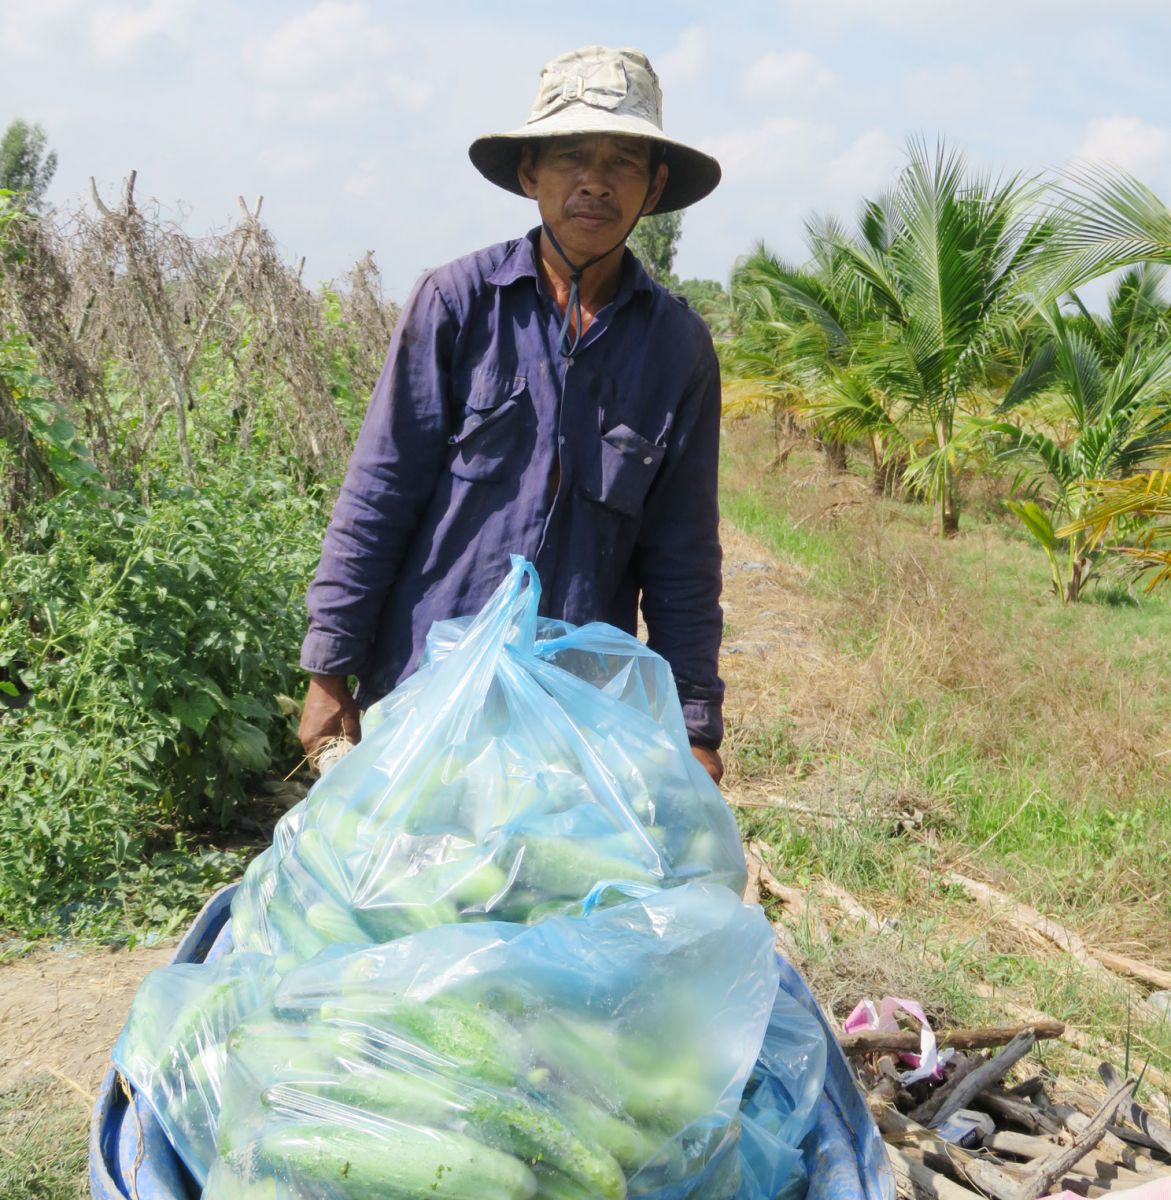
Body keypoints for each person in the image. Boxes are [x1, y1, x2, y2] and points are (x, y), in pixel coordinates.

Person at [298, 45, 727, 783]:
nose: (594, 182)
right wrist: (330, 668)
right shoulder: (457, 304)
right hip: (426, 688)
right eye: (570, 158)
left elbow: (682, 551)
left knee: (542, 890)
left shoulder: (676, 348)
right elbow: (378, 494)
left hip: (576, 712)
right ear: (530, 173)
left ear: (654, 188)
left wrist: (694, 726)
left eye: (623, 161)